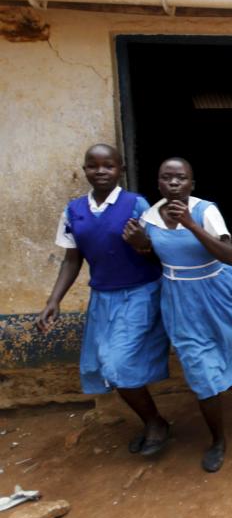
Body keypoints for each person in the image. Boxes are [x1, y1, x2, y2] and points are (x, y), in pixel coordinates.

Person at [123, 157, 232, 473]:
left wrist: (191, 224)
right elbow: (156, 255)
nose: (173, 183)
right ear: (157, 183)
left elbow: (230, 255)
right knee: (200, 372)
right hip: (181, 301)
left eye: (180, 178)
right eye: (166, 178)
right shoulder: (149, 218)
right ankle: (218, 440)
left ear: (191, 184)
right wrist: (140, 244)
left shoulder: (204, 210)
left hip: (219, 291)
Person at [37, 144, 172, 456]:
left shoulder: (136, 204)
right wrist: (53, 300)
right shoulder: (74, 211)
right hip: (103, 298)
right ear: (84, 169)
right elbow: (72, 260)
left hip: (139, 294)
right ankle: (153, 420)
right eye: (93, 166)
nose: (100, 172)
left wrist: (143, 243)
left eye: (108, 166)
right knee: (105, 365)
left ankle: (155, 422)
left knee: (118, 366)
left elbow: (158, 250)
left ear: (120, 170)